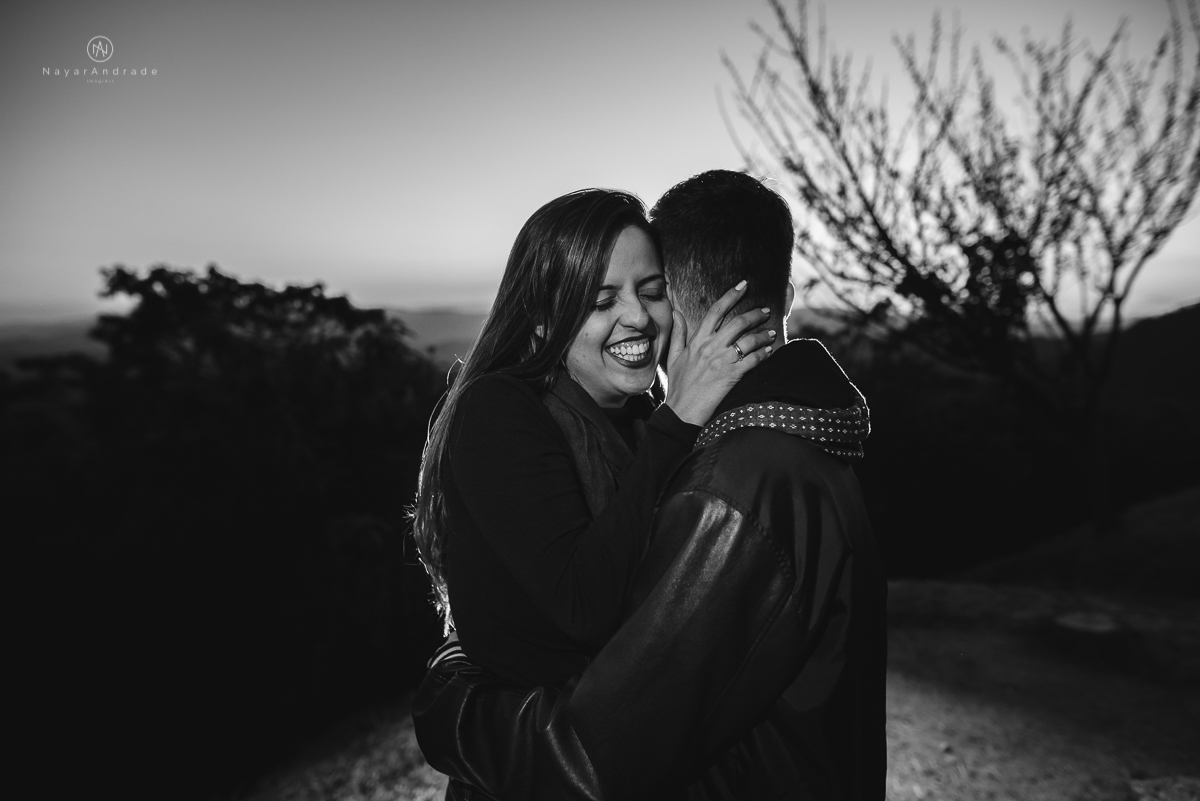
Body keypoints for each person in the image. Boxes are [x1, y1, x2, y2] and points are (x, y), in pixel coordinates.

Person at [413, 170, 887, 800]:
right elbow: (584, 611)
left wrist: (456, 703)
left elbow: (615, 724)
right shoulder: (507, 411)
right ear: (537, 323)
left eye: (652, 290)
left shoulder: (709, 461)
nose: (636, 316)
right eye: (600, 299)